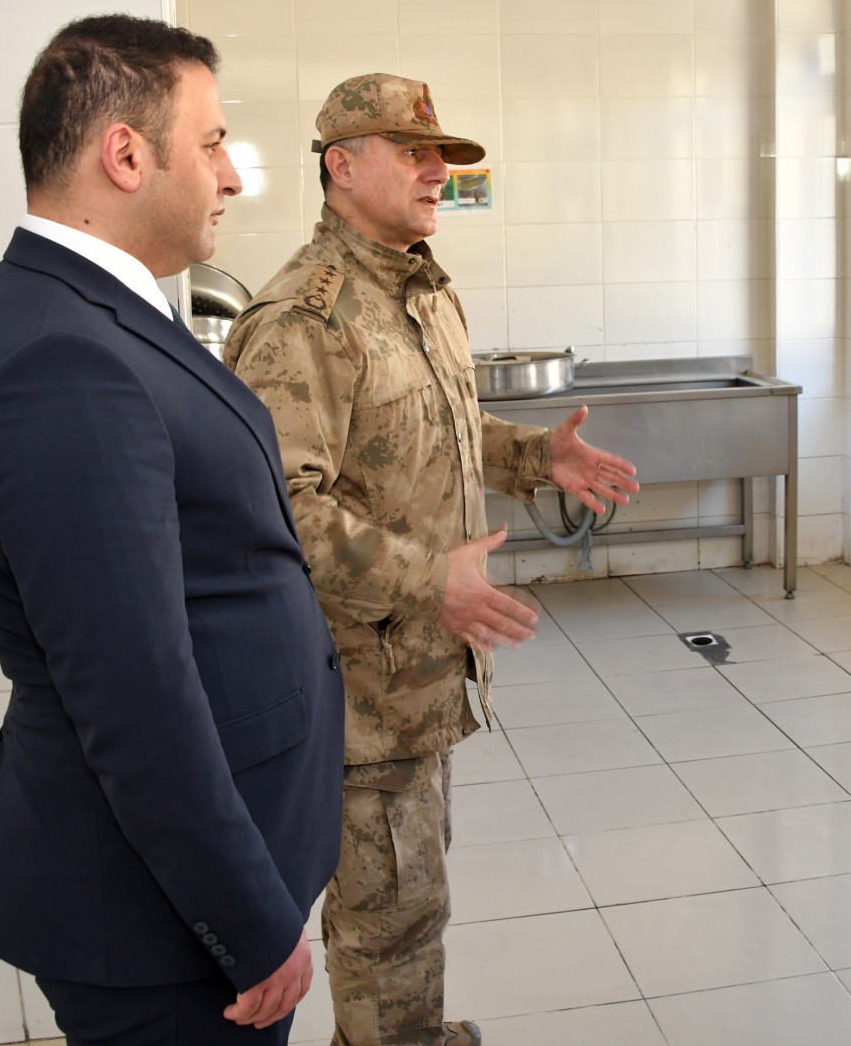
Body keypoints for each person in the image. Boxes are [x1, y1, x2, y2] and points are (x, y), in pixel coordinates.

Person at [0, 15, 347, 1045]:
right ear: (125, 154)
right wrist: (248, 922)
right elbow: (132, 691)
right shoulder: (59, 358)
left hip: (185, 874)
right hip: (161, 920)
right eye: (211, 144)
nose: (230, 176)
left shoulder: (86, 312)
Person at [224, 73, 638, 1046]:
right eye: (412, 152)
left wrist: (533, 456)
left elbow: (435, 429)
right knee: (388, 923)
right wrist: (427, 578)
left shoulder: (420, 291)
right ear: (341, 165)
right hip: (359, 695)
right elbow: (280, 509)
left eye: (441, 155)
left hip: (422, 679)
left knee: (413, 904)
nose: (436, 171)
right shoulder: (303, 322)